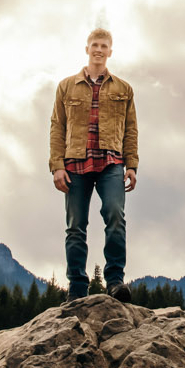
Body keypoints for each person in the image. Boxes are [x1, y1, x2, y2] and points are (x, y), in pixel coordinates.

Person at [49, 27, 138, 300]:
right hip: (75, 163)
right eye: (95, 45)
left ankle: (115, 281)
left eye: (104, 46)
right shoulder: (66, 86)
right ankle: (76, 288)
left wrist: (131, 165)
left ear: (110, 51)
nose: (99, 50)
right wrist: (57, 166)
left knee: (115, 216)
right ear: (87, 49)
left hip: (112, 162)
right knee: (76, 225)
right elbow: (57, 127)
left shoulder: (124, 88)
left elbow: (131, 129)